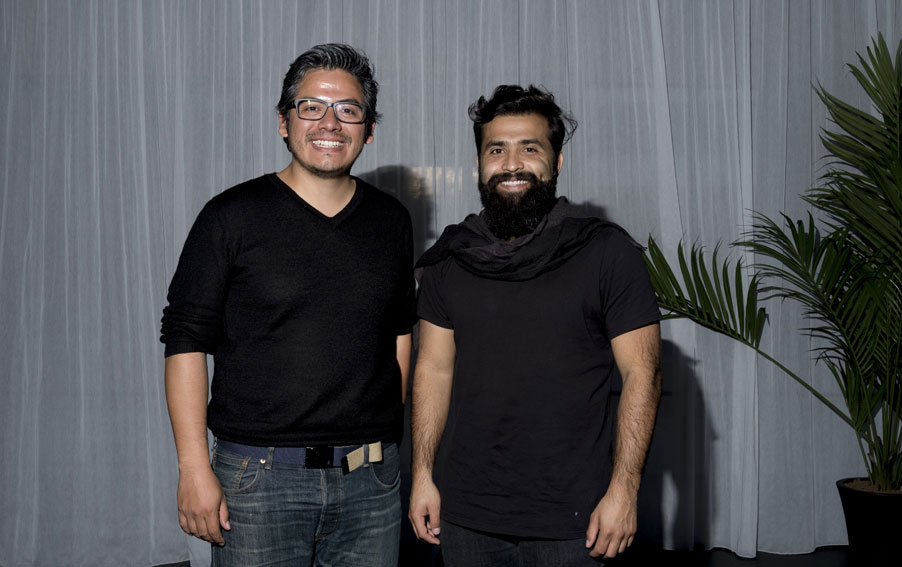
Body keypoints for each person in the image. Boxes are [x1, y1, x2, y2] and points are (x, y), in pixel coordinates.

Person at [160, 43, 415, 567]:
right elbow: (185, 340)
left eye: (348, 110)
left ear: (369, 129)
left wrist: (387, 445)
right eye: (311, 106)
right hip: (259, 481)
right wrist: (192, 469)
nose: (330, 123)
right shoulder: (229, 217)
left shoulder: (392, 221)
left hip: (371, 481)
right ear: (283, 121)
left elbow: (400, 334)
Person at [408, 85, 662, 566]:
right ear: (479, 163)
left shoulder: (607, 253)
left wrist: (624, 491)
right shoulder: (450, 258)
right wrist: (422, 475)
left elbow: (642, 375)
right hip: (467, 517)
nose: (511, 164)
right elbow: (433, 370)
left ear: (557, 162)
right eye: (496, 150)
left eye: (530, 148)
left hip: (578, 519)